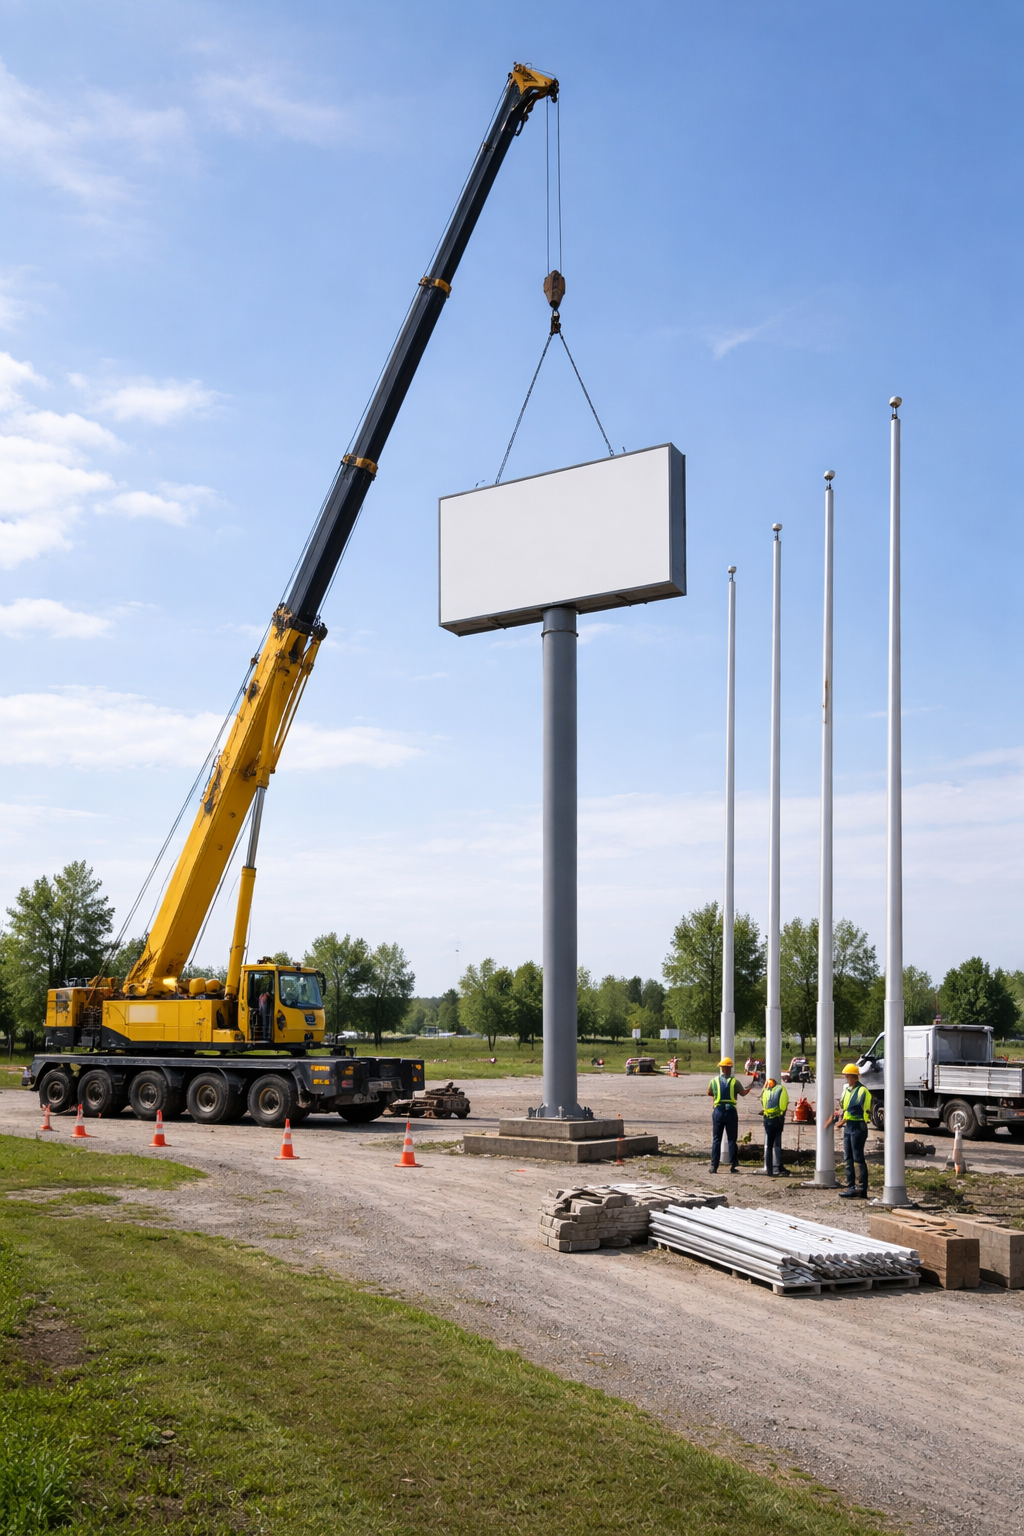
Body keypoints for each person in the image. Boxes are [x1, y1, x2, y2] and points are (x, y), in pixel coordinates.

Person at [824, 1062, 873, 1198]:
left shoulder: (863, 1091)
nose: (846, 1079)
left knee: (858, 1158)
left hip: (858, 1127)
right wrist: (841, 1121)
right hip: (849, 1127)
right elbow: (845, 1109)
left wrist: (848, 1120)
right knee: (848, 1158)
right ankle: (851, 1187)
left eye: (847, 1077)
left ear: (853, 1077)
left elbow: (863, 1111)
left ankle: (862, 1189)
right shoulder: (846, 1090)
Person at [707, 1057, 754, 1173]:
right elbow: (743, 1093)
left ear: (721, 1068)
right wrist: (749, 1089)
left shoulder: (714, 1081)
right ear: (730, 1069)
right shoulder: (735, 1082)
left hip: (718, 1111)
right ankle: (733, 1165)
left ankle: (714, 1166)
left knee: (716, 1139)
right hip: (731, 1112)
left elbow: (709, 1092)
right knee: (732, 1139)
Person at [760, 1076, 789, 1176]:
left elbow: (763, 1103)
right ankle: (777, 1166)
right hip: (777, 1119)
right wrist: (781, 1113)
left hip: (767, 1119)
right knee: (777, 1143)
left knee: (769, 1145)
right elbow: (783, 1104)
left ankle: (769, 1170)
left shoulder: (765, 1091)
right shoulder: (781, 1089)